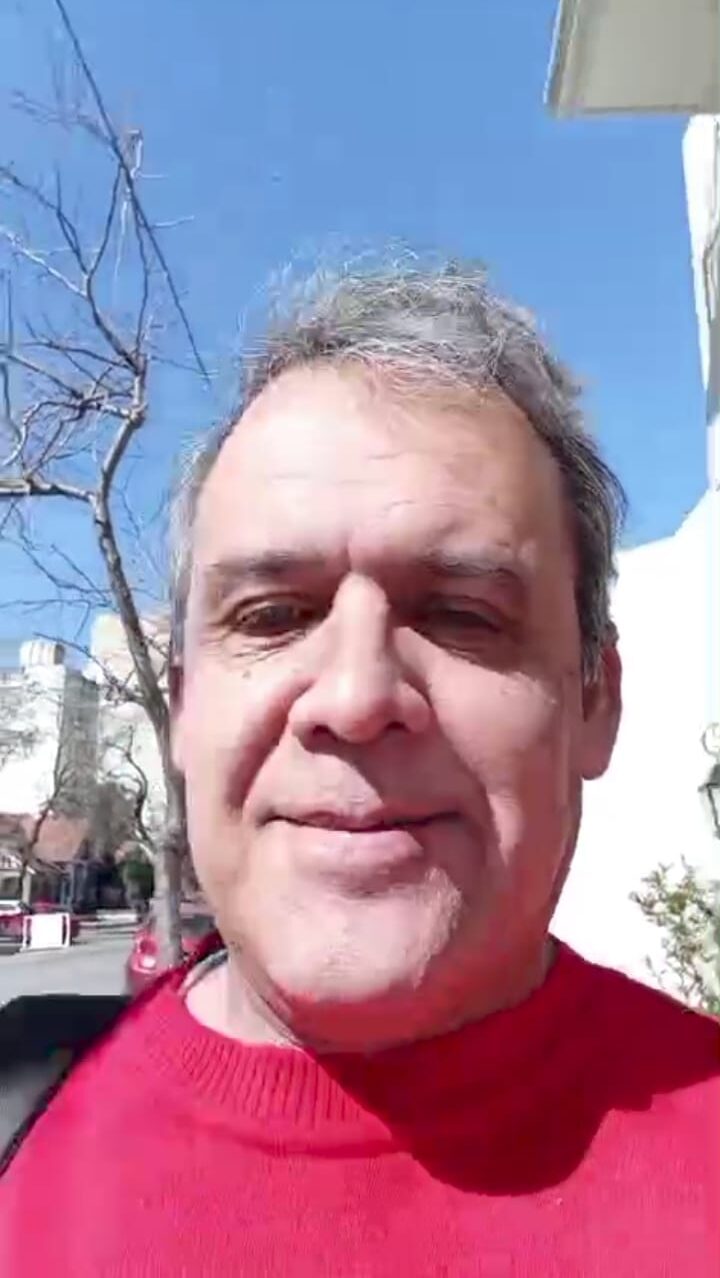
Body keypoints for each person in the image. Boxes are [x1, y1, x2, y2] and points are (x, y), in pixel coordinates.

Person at [1, 263, 718, 1276]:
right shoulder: (20, 1120)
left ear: (595, 701)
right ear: (184, 707)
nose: (352, 695)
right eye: (271, 616)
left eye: (461, 614)